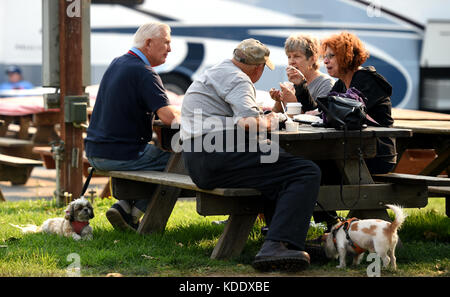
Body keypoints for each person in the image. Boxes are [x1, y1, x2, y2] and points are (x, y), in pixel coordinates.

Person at [180, 38, 321, 272]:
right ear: (258, 67)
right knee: (305, 172)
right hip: (217, 153)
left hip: (198, 157)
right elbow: (248, 121)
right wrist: (274, 120)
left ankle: (282, 239)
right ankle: (275, 247)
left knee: (279, 167)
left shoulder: (217, 71)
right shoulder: (239, 79)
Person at [85, 22, 180, 231]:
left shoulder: (118, 63)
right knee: (178, 165)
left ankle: (125, 206)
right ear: (148, 43)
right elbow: (169, 118)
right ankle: (133, 215)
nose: (170, 49)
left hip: (94, 151)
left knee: (160, 159)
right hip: (120, 154)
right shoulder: (144, 72)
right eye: (166, 43)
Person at [306, 31, 397, 231]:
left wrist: (320, 112)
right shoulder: (341, 83)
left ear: (346, 56)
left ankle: (329, 225)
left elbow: (345, 113)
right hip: (353, 152)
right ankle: (329, 225)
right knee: (306, 167)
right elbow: (324, 110)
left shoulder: (366, 80)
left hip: (376, 154)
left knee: (310, 170)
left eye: (331, 56)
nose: (326, 61)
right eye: (325, 57)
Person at [269, 34, 334, 114]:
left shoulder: (326, 83)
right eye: (289, 57)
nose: (291, 61)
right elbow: (276, 116)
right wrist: (280, 101)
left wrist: (293, 102)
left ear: (313, 59)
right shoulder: (292, 85)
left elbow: (319, 118)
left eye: (297, 56)